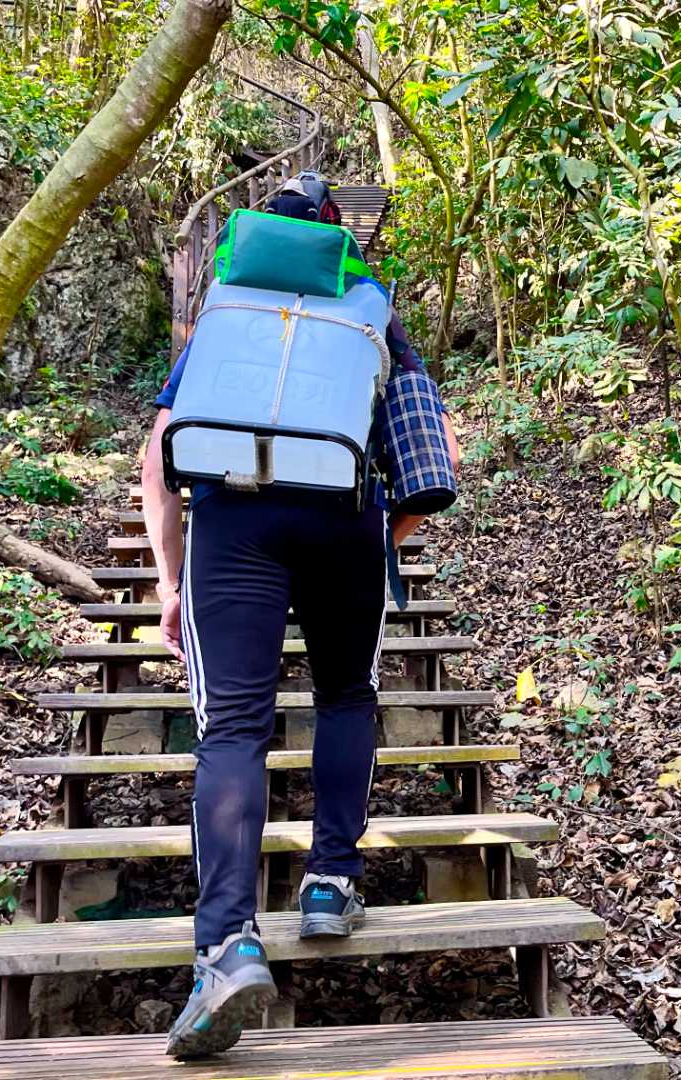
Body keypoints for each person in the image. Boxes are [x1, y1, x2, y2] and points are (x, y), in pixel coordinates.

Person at [140, 178, 462, 1060]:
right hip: (343, 518)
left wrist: (170, 579)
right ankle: (329, 883)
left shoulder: (228, 304)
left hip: (233, 523)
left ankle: (228, 947)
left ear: (263, 237)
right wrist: (378, 532)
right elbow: (440, 453)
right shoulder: (371, 311)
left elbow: (159, 453)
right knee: (347, 696)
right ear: (339, 241)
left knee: (233, 727)